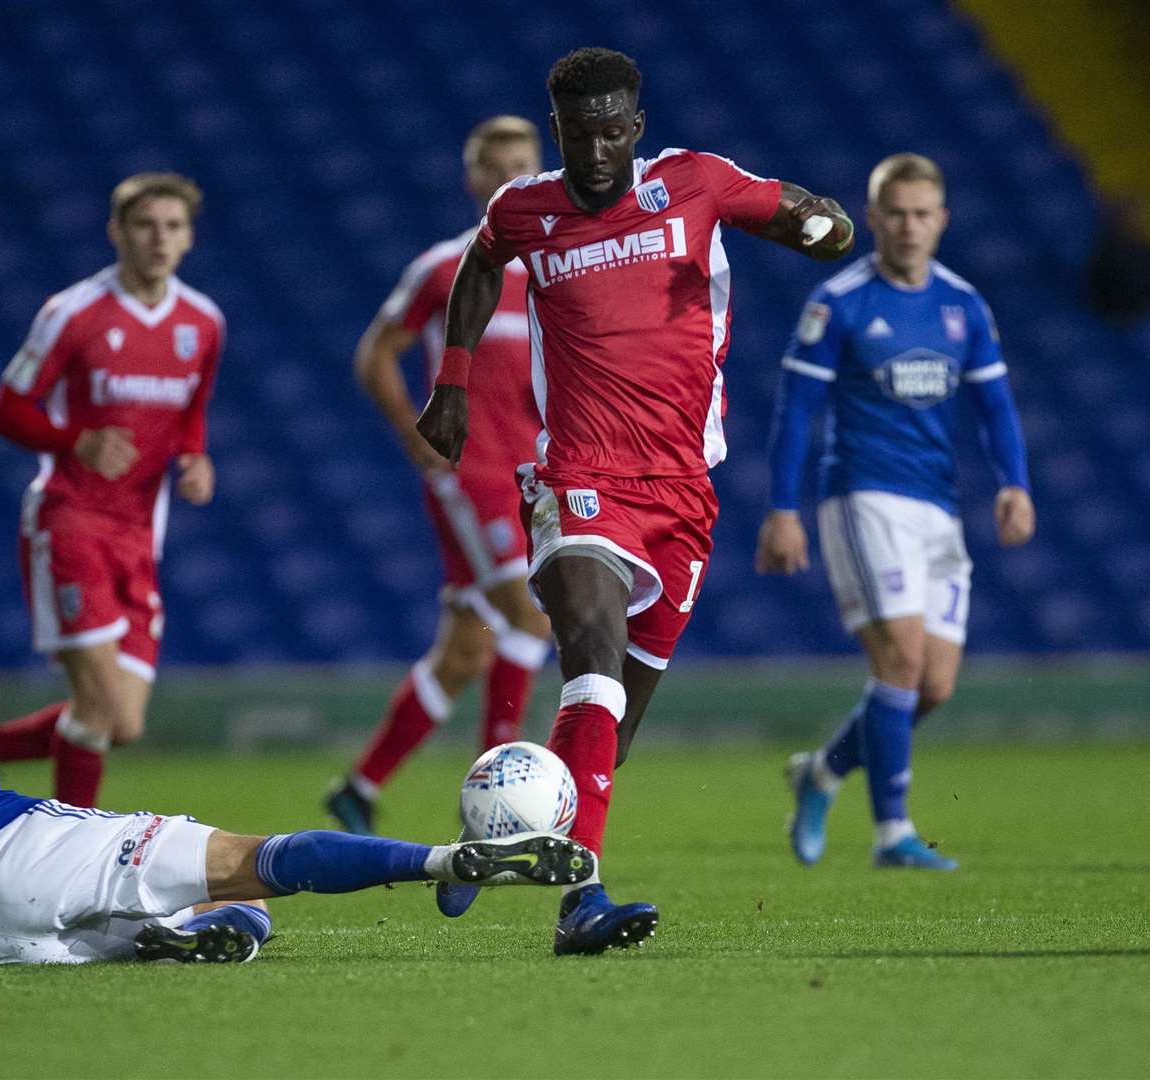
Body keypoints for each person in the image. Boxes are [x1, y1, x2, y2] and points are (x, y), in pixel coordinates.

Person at [415, 47, 856, 954]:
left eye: (614, 130)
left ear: (637, 126)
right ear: (559, 131)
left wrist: (825, 229)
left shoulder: (694, 184)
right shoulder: (524, 209)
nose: (599, 149)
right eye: (581, 133)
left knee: (615, 723)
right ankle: (582, 901)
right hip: (579, 476)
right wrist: (453, 382)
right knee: (593, 663)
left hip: (684, 491)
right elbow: (479, 265)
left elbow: (819, 222)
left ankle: (489, 844)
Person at [0, 606, 594, 969]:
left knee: (225, 926)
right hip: (8, 852)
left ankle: (161, 942)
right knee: (251, 862)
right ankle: (448, 859)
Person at [755, 153, 1035, 870]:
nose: (909, 227)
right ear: (874, 218)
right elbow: (796, 413)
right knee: (901, 660)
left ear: (941, 220)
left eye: (922, 214)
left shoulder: (963, 304)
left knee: (931, 686)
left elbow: (996, 404)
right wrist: (782, 509)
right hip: (863, 495)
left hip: (937, 506)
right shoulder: (840, 302)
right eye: (896, 214)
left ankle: (820, 771)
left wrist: (1015, 482)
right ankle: (893, 835)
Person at [324, 117, 552, 834]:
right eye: (496, 166)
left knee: (466, 650)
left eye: (524, 163)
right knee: (532, 615)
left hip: (533, 476)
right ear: (474, 180)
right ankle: (499, 803)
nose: (511, 176)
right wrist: (415, 434)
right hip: (472, 473)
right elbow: (375, 354)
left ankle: (358, 788)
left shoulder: (552, 272)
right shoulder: (446, 268)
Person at [0, 173, 224, 809]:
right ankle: (77, 844)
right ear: (117, 231)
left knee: (124, 723)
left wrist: (195, 456)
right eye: (146, 225)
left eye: (173, 227)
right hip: (71, 521)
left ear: (189, 237)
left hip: (139, 533)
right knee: (96, 705)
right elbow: (7, 409)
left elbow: (191, 408)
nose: (159, 239)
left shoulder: (202, 323)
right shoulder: (73, 313)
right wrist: (76, 440)